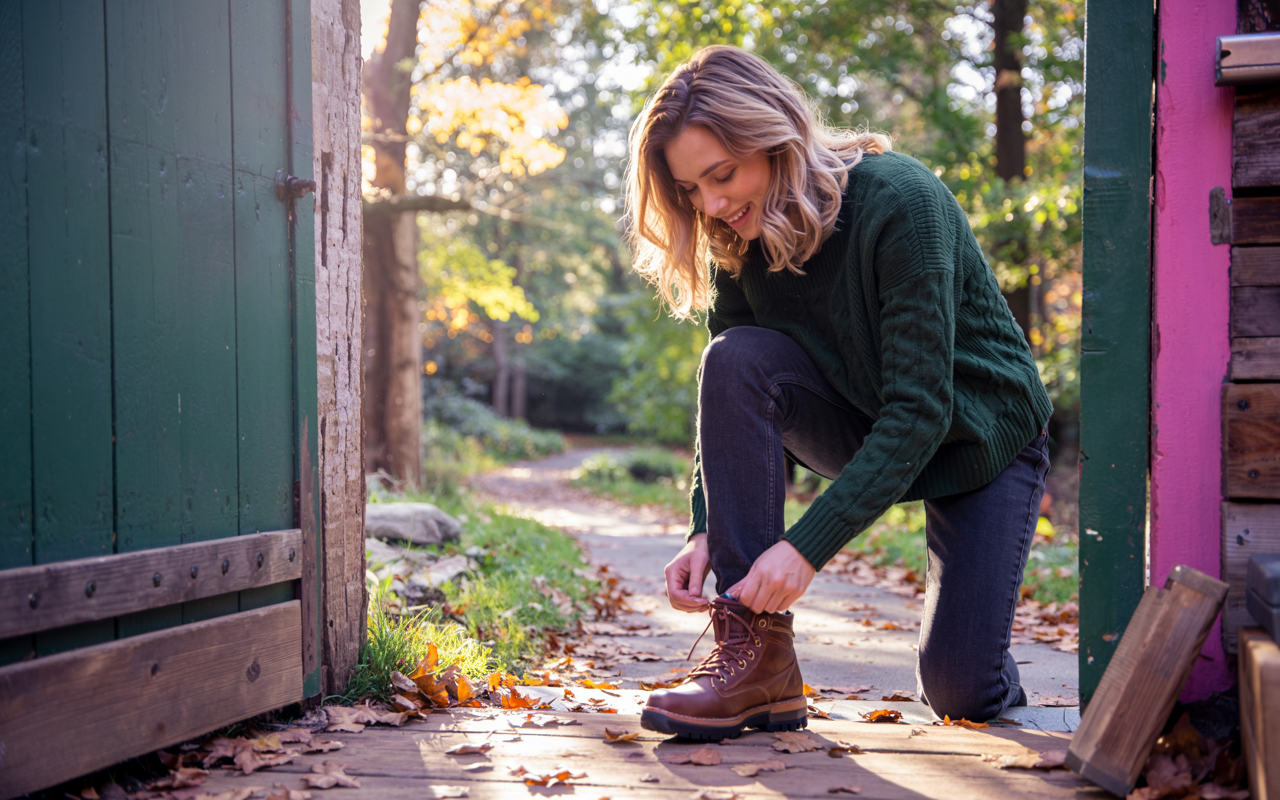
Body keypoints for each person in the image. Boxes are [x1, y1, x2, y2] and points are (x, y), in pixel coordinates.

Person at [622, 45, 1053, 741]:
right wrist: (704, 524)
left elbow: (920, 412)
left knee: (960, 693)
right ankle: (757, 659)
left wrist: (805, 548)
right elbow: (729, 381)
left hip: (977, 437)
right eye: (691, 189)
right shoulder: (733, 234)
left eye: (723, 175)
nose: (713, 203)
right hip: (855, 414)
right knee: (732, 356)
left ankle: (989, 670)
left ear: (775, 137)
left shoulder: (901, 203)